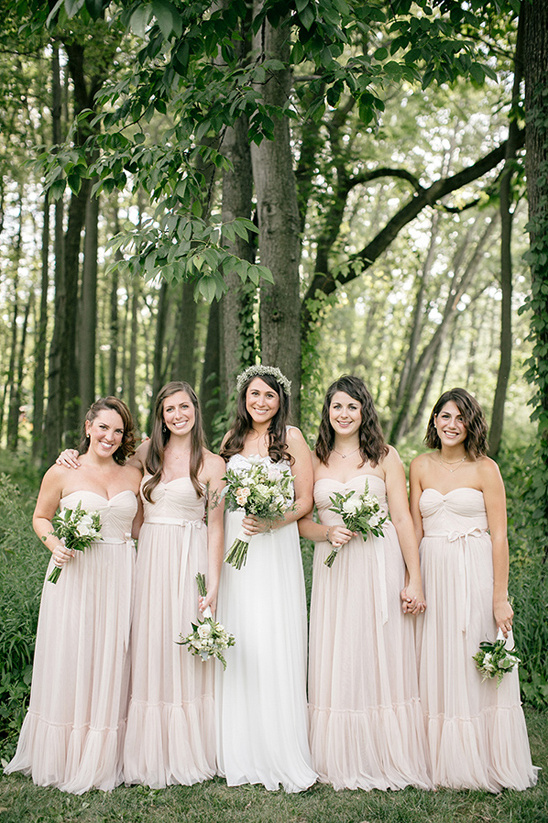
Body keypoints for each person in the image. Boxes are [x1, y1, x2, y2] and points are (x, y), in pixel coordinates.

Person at [54, 382, 225, 788]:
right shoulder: (147, 452)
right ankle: (144, 750)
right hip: (146, 560)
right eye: (169, 409)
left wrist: (214, 585)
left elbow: (216, 527)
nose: (177, 415)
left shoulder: (214, 464)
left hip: (189, 559)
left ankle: (184, 748)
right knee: (147, 646)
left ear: (195, 411)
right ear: (161, 415)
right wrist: (70, 457)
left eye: (184, 406)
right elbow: (104, 463)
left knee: (184, 650)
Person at [299, 375, 430, 791]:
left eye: (352, 407)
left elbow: (402, 518)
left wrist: (415, 578)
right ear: (328, 411)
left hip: (378, 559)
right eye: (337, 406)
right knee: (339, 649)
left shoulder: (386, 456)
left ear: (364, 411)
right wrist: (326, 533)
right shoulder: (314, 459)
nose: (344, 414)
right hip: (334, 565)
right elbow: (302, 521)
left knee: (378, 649)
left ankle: (384, 749)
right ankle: (338, 752)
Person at [5, 398, 142, 794]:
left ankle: (103, 751)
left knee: (112, 654)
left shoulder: (132, 474)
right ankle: (65, 753)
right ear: (87, 427)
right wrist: (53, 545)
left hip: (119, 573)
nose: (109, 437)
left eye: (117, 431)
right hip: (75, 572)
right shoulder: (63, 471)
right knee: (73, 653)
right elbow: (40, 517)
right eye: (102, 428)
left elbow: (136, 527)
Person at [409, 388, 538, 791]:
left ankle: (483, 756)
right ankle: (438, 758)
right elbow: (414, 528)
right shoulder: (419, 466)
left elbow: (500, 537)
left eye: (460, 418)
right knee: (438, 656)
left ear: (471, 425)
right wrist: (412, 580)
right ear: (434, 420)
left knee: (475, 658)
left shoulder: (486, 469)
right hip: (433, 571)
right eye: (445, 416)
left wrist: (500, 597)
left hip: (475, 571)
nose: (451, 425)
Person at [216, 364, 317, 792]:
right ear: (244, 398)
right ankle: (240, 747)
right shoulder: (230, 440)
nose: (261, 402)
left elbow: (306, 499)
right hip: (236, 551)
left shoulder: (291, 438)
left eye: (269, 396)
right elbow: (212, 489)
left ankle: (278, 747)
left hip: (274, 549)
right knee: (243, 638)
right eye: (254, 394)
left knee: (272, 637)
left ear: (281, 401)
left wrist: (275, 520)